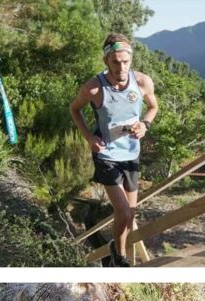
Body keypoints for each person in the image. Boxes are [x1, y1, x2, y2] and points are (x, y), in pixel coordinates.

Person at [69, 33, 158, 267]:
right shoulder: (94, 88)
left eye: (125, 61)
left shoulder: (141, 82)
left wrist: (145, 125)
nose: (121, 67)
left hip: (131, 153)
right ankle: (119, 258)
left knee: (131, 215)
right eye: (116, 61)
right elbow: (74, 109)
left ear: (131, 59)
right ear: (106, 60)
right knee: (125, 213)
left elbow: (153, 107)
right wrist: (89, 137)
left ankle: (114, 250)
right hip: (106, 154)